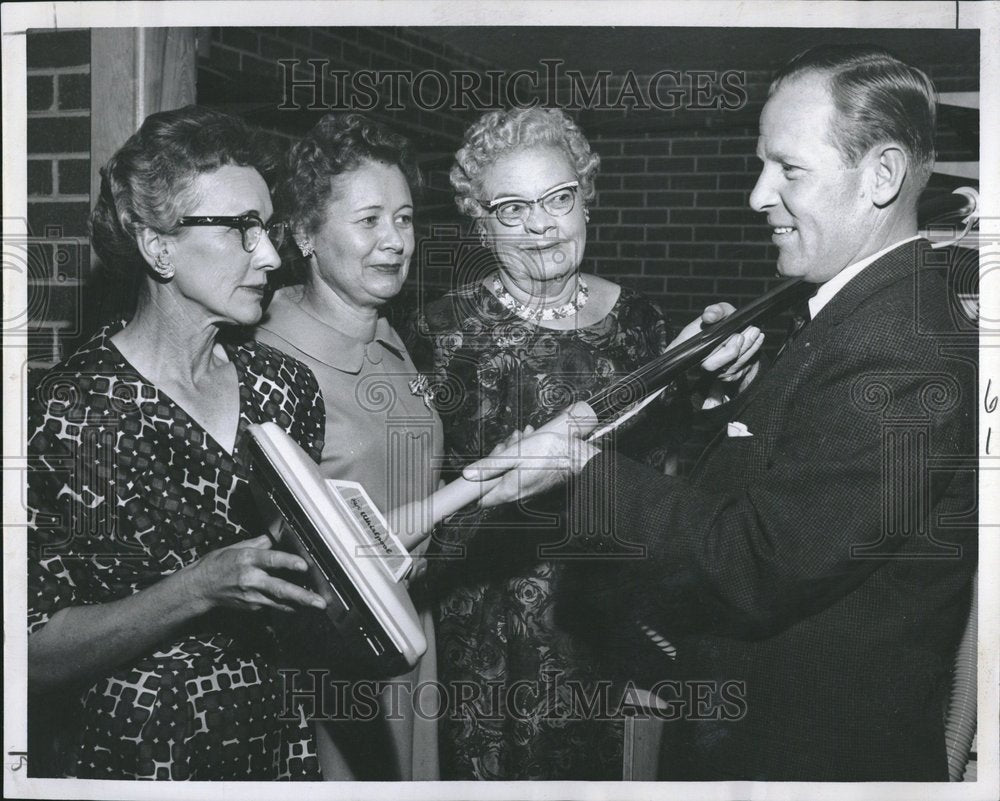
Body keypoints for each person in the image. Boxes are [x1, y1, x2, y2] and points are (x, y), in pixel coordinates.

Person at [463, 45, 977, 781]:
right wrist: (728, 399)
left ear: (884, 176)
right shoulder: (858, 313)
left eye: (788, 168)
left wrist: (582, 467)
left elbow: (760, 560)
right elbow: (799, 476)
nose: (757, 195)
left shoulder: (902, 347)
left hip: (811, 758)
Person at [407, 106, 761, 780]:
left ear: (586, 199)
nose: (542, 224)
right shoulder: (442, 332)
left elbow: (672, 467)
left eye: (559, 198)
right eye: (512, 209)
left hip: (604, 617)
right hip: (486, 632)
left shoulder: (639, 321)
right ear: (481, 224)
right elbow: (418, 489)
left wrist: (714, 387)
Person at [27, 106, 329, 780]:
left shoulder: (285, 391)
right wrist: (194, 588)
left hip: (275, 741)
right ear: (158, 246)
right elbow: (29, 656)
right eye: (241, 230)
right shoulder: (70, 411)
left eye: (268, 227)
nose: (273, 256)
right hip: (136, 756)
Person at [254, 113, 443, 780]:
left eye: (406, 218)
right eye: (370, 221)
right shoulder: (270, 362)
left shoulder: (389, 336)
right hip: (335, 661)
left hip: (412, 635)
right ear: (305, 233)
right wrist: (480, 484)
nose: (395, 241)